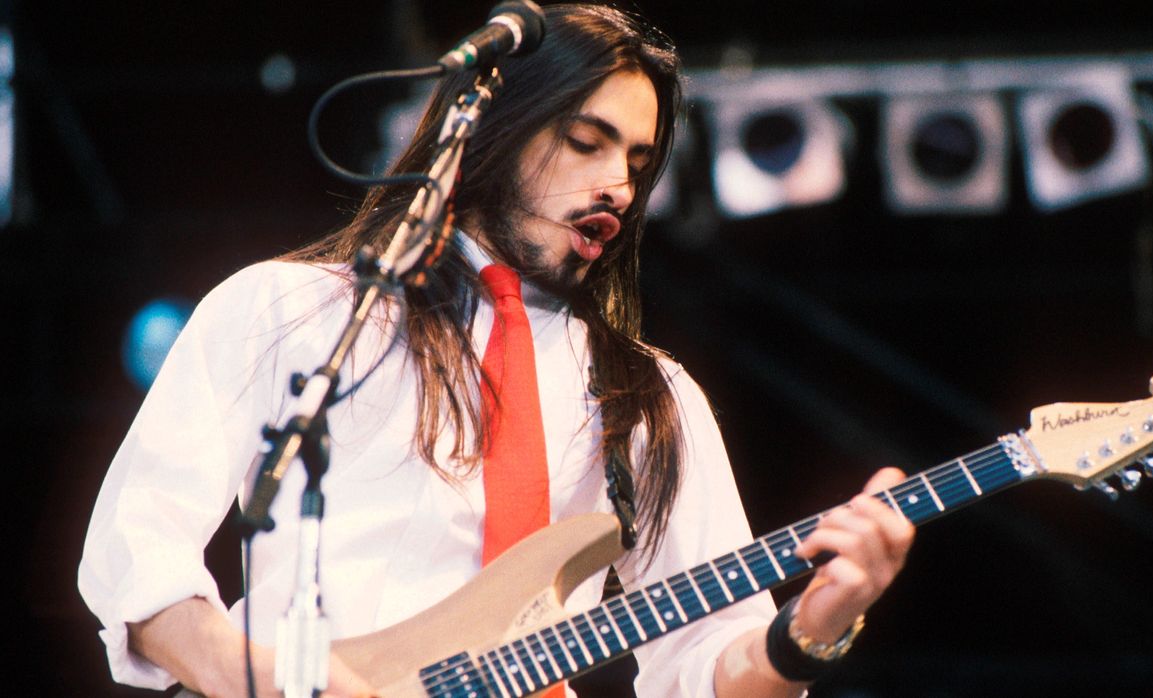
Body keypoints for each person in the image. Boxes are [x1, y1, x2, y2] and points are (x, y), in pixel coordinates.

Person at [79, 4, 914, 697]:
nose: (617, 187)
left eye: (637, 162)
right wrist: (271, 681)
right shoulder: (290, 311)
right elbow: (136, 557)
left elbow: (703, 665)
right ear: (495, 131)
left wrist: (806, 635)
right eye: (587, 142)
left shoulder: (652, 398)